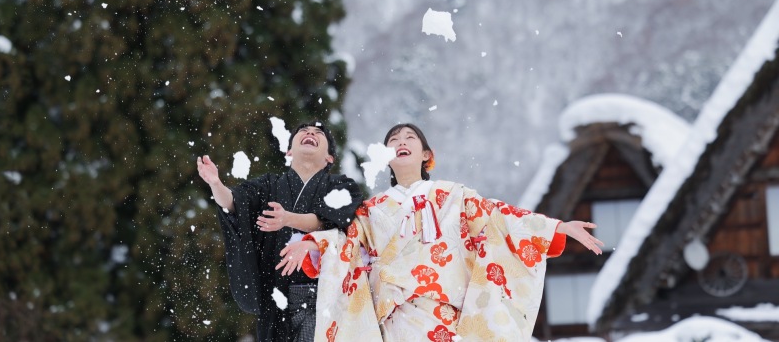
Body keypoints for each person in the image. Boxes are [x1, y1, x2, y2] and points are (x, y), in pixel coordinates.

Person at [277, 123, 604, 341]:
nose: (400, 142)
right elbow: (347, 244)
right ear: (386, 157)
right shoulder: (371, 210)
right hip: (393, 323)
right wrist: (316, 246)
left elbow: (499, 220)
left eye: (409, 138)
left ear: (426, 155)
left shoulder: (455, 196)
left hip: (444, 320)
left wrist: (558, 227)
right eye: (393, 140)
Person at [197, 121, 363, 342]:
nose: (310, 133)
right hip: (275, 298)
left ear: (329, 158)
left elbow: (334, 223)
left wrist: (287, 219)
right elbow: (234, 205)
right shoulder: (269, 185)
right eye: (303, 131)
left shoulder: (342, 187)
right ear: (289, 151)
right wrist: (216, 183)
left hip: (325, 297)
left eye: (318, 133)